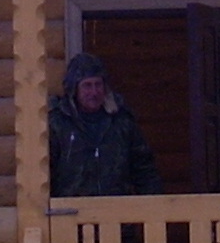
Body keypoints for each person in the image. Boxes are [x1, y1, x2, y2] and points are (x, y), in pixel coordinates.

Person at [48, 51, 161, 198]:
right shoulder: (56, 124)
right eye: (87, 86)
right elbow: (44, 173)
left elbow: (144, 169)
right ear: (74, 89)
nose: (94, 92)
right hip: (71, 214)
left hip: (117, 213)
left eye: (98, 84)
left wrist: (152, 207)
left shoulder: (122, 121)